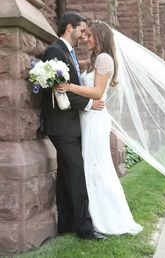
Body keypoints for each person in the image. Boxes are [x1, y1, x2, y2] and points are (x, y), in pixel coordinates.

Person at [57, 20, 143, 235]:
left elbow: (97, 93)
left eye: (91, 35)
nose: (86, 38)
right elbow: (76, 64)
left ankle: (108, 216)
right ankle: (93, 214)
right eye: (85, 35)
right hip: (88, 117)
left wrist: (69, 87)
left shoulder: (104, 59)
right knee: (90, 164)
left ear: (101, 37)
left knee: (97, 166)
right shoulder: (96, 60)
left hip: (95, 119)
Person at [41, 12, 106, 240]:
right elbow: (61, 89)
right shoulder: (54, 51)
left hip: (69, 124)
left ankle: (66, 223)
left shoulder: (67, 53)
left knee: (67, 173)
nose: (83, 35)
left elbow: (68, 86)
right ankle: (85, 229)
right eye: (81, 30)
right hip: (61, 125)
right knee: (77, 173)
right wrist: (90, 103)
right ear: (70, 27)